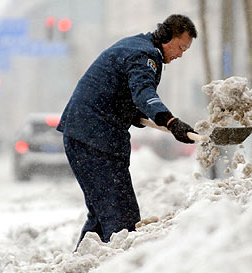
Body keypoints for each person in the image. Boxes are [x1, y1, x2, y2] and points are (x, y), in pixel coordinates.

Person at [57, 14, 198, 249]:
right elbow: (144, 93)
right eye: (181, 47)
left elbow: (119, 92)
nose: (181, 54)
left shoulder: (136, 45)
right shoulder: (146, 55)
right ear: (167, 37)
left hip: (84, 134)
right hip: (94, 139)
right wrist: (171, 121)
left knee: (104, 215)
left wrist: (133, 115)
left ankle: (82, 265)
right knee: (121, 217)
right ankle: (115, 272)